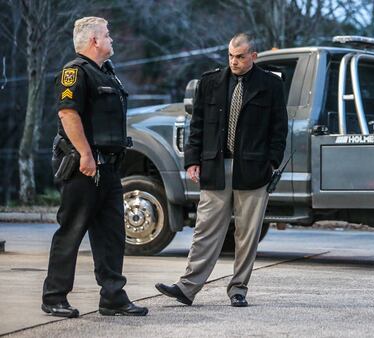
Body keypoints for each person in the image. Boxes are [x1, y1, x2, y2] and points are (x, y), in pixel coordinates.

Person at [155, 33, 288, 307]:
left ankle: (238, 288)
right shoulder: (210, 82)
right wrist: (192, 160)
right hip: (215, 166)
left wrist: (272, 163)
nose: (234, 61)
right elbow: (198, 125)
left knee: (247, 233)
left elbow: (279, 129)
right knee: (205, 229)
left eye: (240, 57)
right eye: (230, 56)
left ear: (254, 56)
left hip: (253, 170)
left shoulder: (271, 85)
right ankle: (187, 287)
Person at [42, 16, 148, 317]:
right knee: (72, 230)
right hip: (83, 167)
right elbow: (67, 114)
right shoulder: (74, 73)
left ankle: (112, 297)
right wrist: (86, 155)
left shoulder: (108, 74)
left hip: (109, 168)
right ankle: (54, 297)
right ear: (93, 41)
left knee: (112, 234)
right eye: (107, 34)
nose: (111, 39)